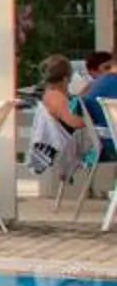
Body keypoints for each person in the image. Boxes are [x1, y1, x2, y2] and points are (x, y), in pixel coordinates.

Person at [27, 55, 92, 187]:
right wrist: (93, 118)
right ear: (65, 79)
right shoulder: (57, 98)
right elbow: (75, 122)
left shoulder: (50, 93)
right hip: (64, 150)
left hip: (61, 146)